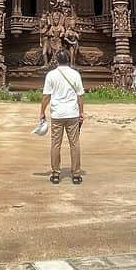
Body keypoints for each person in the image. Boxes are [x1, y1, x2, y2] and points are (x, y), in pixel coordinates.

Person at [39, 49, 85, 185]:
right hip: (72, 114)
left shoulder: (51, 75)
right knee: (74, 144)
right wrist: (81, 112)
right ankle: (76, 174)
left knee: (55, 144)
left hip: (57, 114)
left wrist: (42, 111)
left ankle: (55, 174)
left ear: (56, 60)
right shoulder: (75, 74)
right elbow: (80, 95)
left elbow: (46, 96)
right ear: (69, 59)